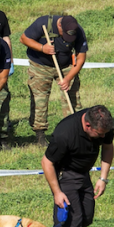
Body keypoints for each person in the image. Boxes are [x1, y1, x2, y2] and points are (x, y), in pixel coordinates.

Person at [41, 105, 114, 227]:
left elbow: (107, 147)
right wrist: (57, 192)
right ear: (88, 126)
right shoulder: (64, 133)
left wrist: (103, 178)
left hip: (84, 174)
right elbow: (46, 163)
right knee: (72, 222)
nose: (103, 136)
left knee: (86, 217)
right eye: (99, 133)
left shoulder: (104, 124)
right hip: (65, 175)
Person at [20, 14, 88, 146]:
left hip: (65, 65)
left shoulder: (77, 30)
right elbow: (23, 39)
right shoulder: (43, 23)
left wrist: (68, 78)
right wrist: (42, 48)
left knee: (72, 96)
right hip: (40, 65)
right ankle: (40, 135)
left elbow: (81, 58)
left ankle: (74, 130)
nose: (67, 39)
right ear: (59, 26)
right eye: (65, 35)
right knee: (40, 99)